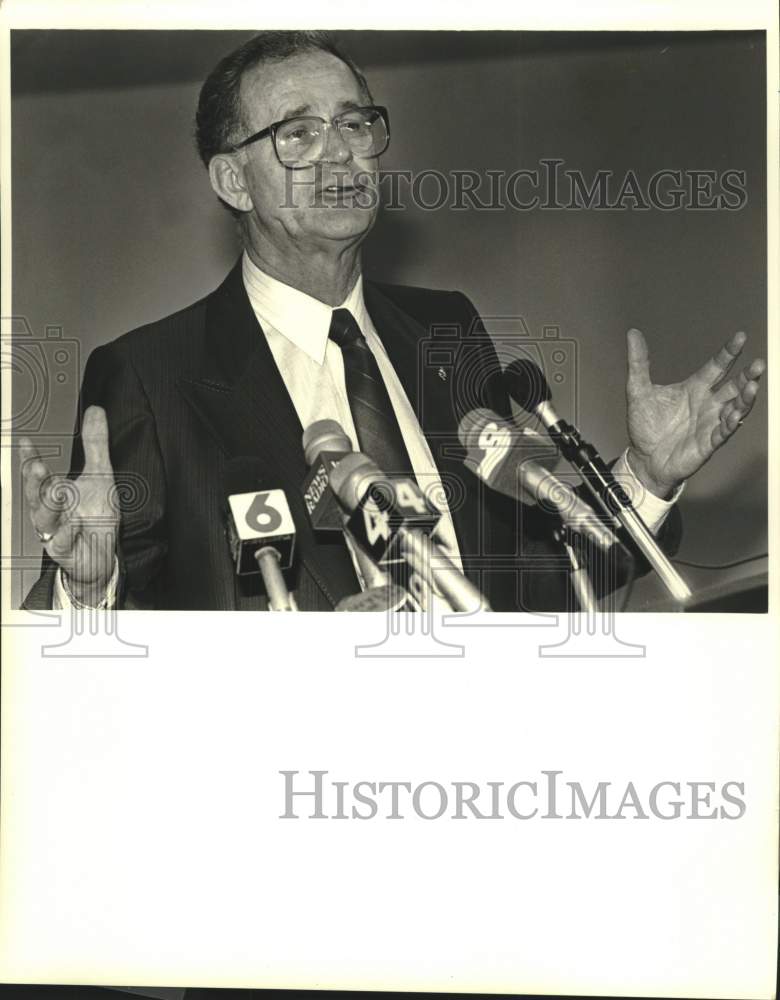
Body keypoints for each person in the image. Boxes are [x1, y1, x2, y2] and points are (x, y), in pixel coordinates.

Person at [19, 31, 765, 612]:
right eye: (298, 134)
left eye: (353, 122)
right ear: (232, 180)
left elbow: (534, 577)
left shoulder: (446, 330)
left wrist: (647, 474)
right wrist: (88, 587)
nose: (341, 152)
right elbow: (111, 651)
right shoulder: (153, 375)